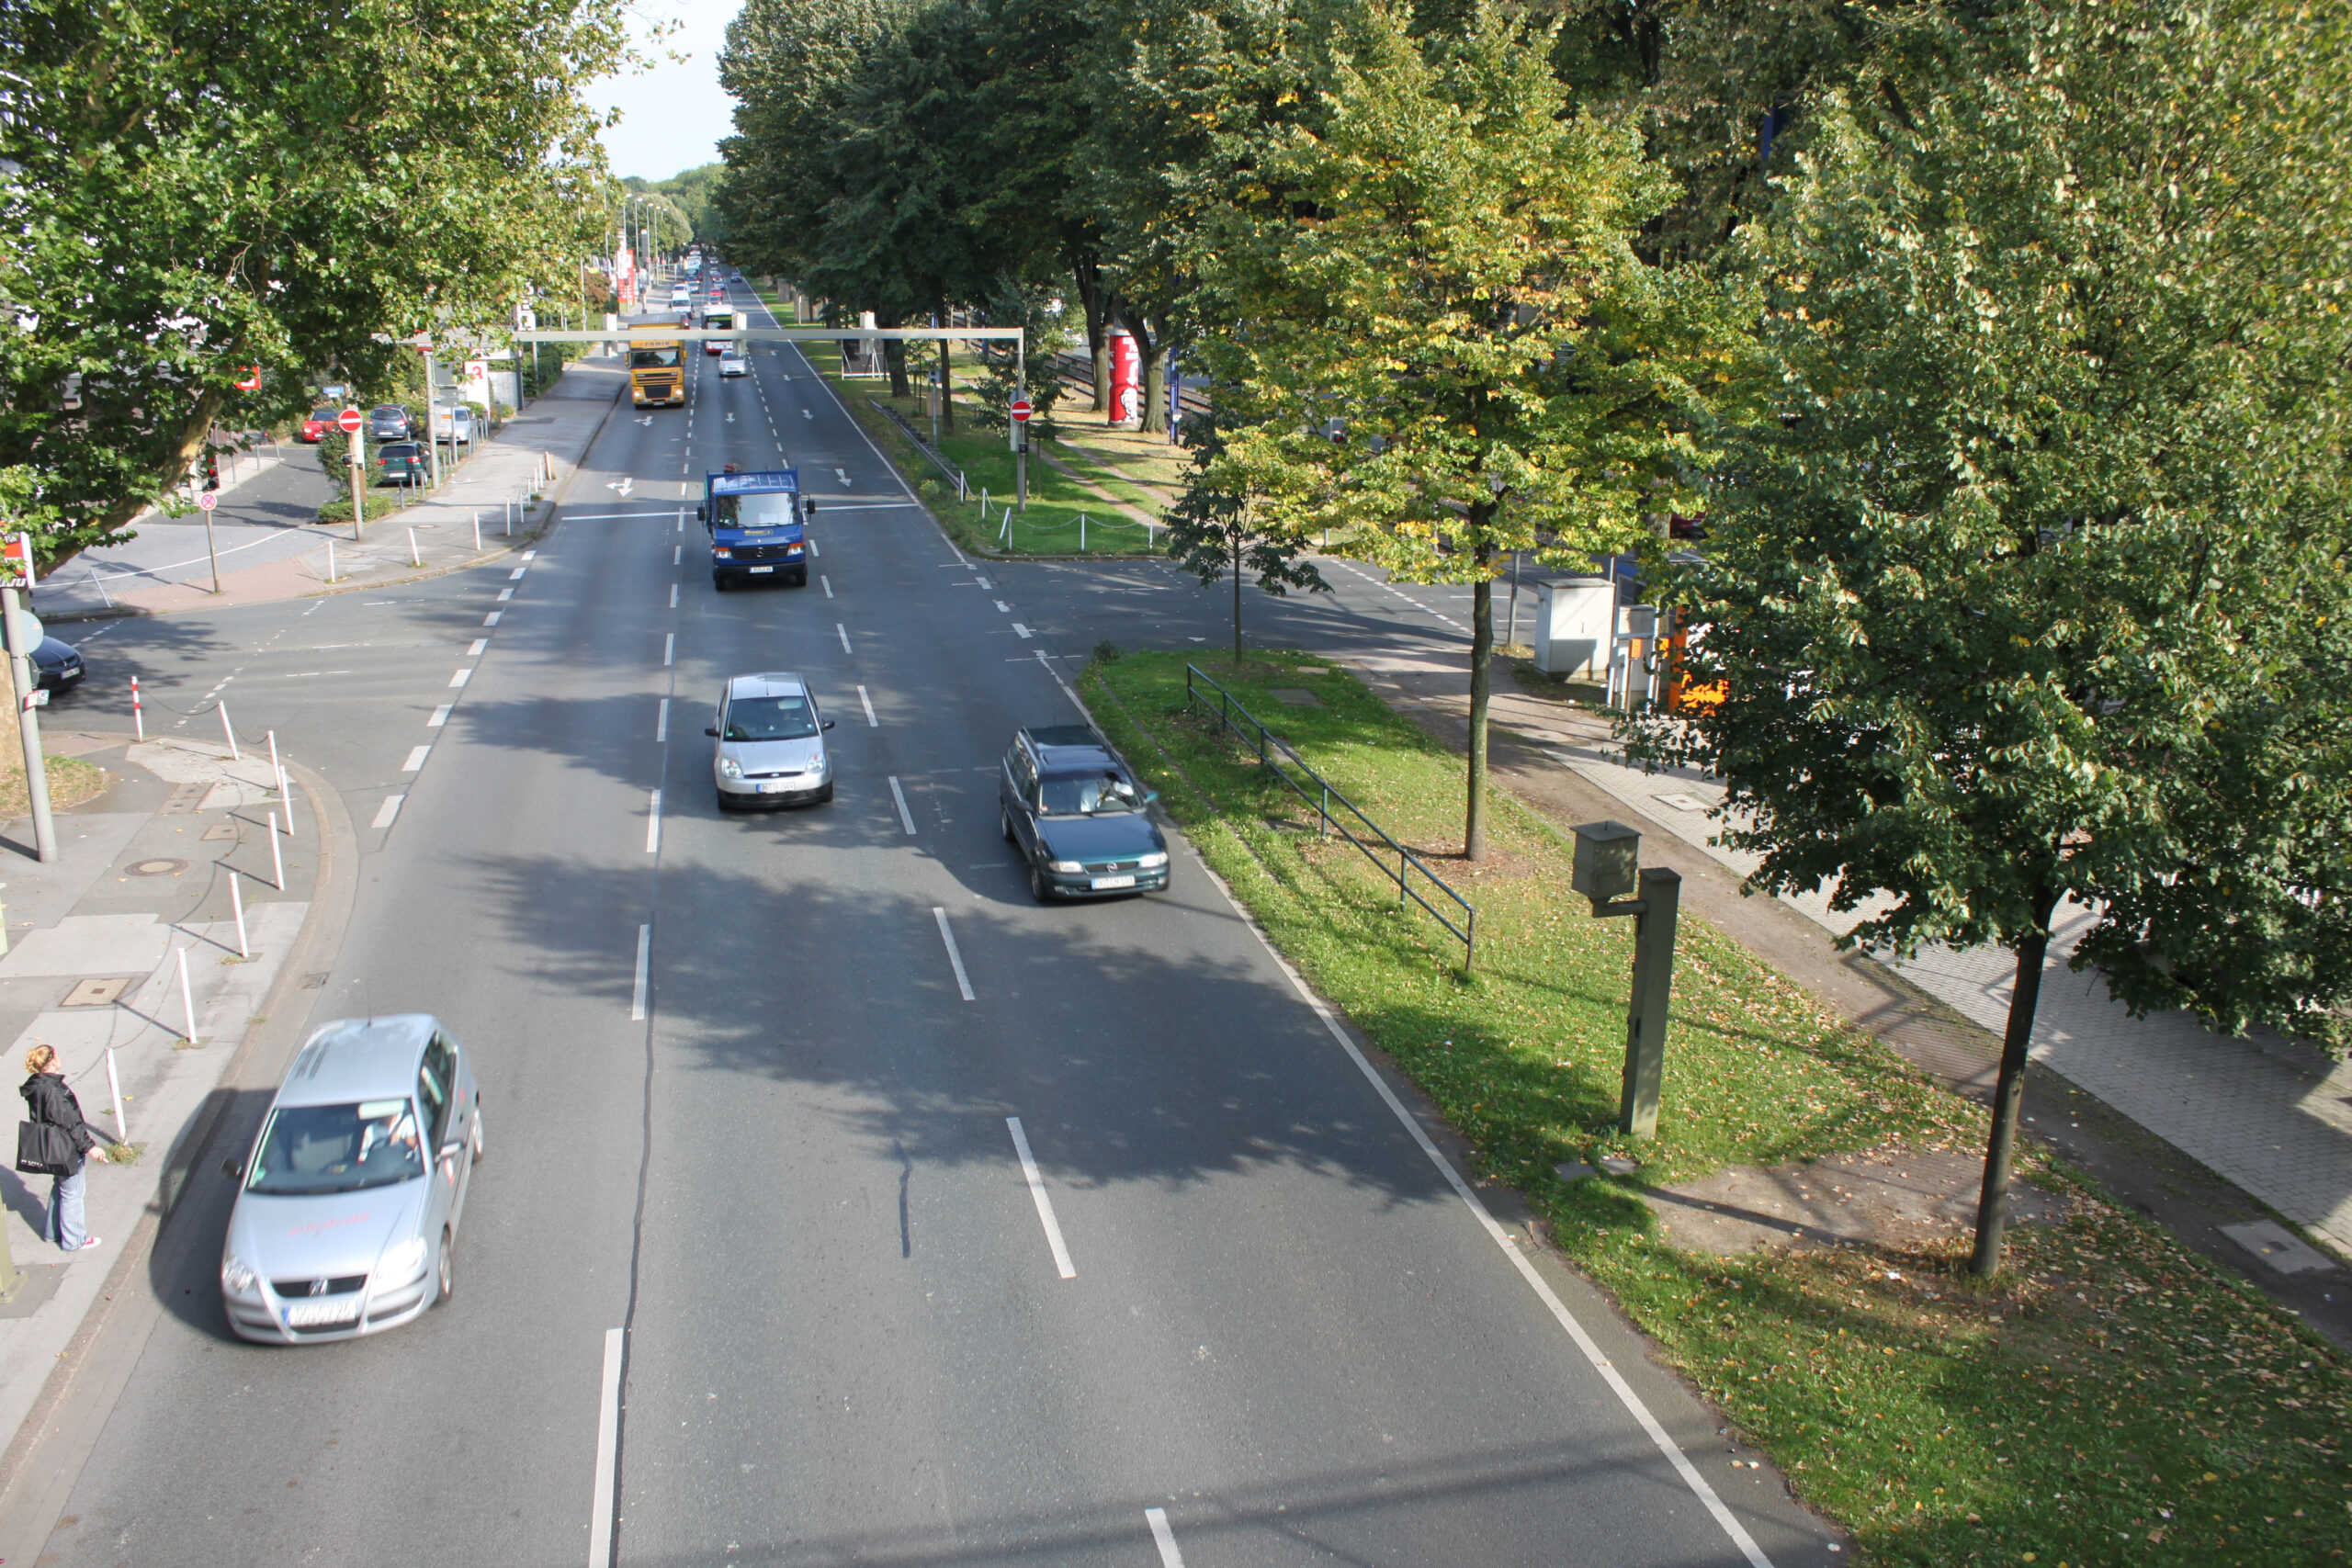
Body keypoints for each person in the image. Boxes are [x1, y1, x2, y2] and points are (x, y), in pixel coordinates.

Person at [20, 1044, 107, 1253]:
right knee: (73, 1194)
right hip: (65, 1148)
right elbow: (71, 1122)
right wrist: (89, 1148)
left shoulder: (36, 1085)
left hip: (49, 1146)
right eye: (57, 1055)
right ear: (52, 1061)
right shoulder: (54, 1091)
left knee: (59, 1189)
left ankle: (52, 1232)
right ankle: (74, 1240)